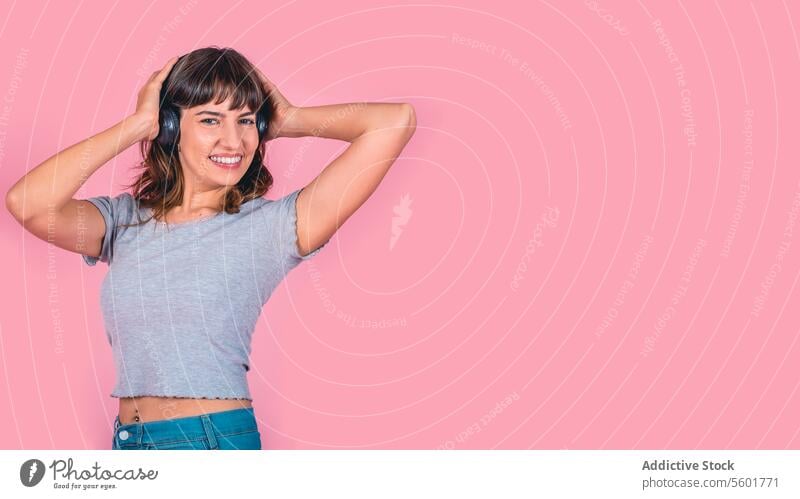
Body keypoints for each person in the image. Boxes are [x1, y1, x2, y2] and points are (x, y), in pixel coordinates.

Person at [5, 46, 416, 450]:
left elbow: (395, 122)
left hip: (210, 441)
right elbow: (29, 204)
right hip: (129, 442)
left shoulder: (272, 227)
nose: (233, 140)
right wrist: (136, 125)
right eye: (210, 120)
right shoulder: (123, 221)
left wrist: (291, 120)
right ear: (170, 127)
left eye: (246, 121)